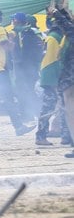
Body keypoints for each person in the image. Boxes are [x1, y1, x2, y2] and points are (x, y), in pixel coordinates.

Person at [36, 14, 69, 146]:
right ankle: (42, 136)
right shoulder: (58, 38)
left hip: (48, 73)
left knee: (59, 106)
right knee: (55, 107)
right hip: (53, 74)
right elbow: (58, 59)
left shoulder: (51, 36)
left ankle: (65, 136)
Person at [10, 12, 44, 121]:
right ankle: (33, 114)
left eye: (13, 20)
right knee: (28, 90)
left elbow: (18, 50)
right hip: (32, 66)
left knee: (25, 90)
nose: (12, 22)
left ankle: (31, 114)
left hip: (23, 66)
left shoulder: (18, 33)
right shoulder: (36, 32)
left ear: (17, 21)